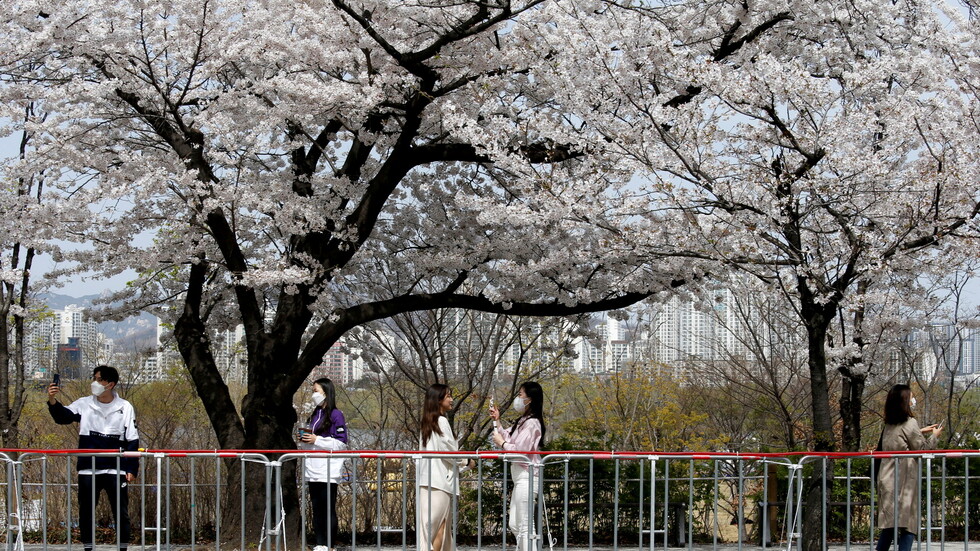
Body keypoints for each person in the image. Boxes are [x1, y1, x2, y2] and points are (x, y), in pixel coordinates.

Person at [47, 365, 140, 551]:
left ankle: (123, 547)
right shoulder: (84, 403)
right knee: (86, 512)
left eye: (99, 380)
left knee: (121, 512)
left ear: (110, 384)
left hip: (116, 468)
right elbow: (63, 417)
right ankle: (88, 547)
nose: (94, 383)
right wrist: (52, 399)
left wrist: (131, 469)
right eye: (94, 378)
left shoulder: (125, 407)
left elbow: (132, 439)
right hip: (88, 467)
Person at [875, 384, 942, 551]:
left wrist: (920, 431)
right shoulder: (909, 423)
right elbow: (923, 450)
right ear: (905, 401)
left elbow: (899, 440)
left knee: (889, 526)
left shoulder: (889, 424)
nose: (913, 400)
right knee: (908, 524)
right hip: (904, 481)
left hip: (887, 478)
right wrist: (934, 437)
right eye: (911, 396)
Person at [489, 381, 546, 551]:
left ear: (530, 399)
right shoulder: (524, 420)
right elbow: (510, 437)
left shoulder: (532, 423)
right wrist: (497, 422)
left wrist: (502, 444)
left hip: (528, 477)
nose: (518, 398)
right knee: (515, 523)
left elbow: (520, 450)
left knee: (525, 525)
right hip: (520, 478)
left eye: (520, 395)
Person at [417, 384, 474, 551]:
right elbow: (448, 450)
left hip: (429, 480)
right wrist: (466, 461)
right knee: (438, 528)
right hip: (439, 483)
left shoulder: (428, 422)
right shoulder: (441, 421)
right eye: (448, 396)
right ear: (439, 400)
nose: (451, 399)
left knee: (431, 529)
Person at [298, 378, 348, 551]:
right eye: (313, 390)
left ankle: (329, 544)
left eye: (316, 391)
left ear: (326, 392)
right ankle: (319, 543)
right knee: (317, 508)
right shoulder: (314, 414)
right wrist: (305, 440)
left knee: (328, 507)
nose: (314, 394)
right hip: (313, 468)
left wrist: (317, 439)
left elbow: (341, 443)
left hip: (328, 470)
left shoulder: (336, 414)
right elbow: (310, 442)